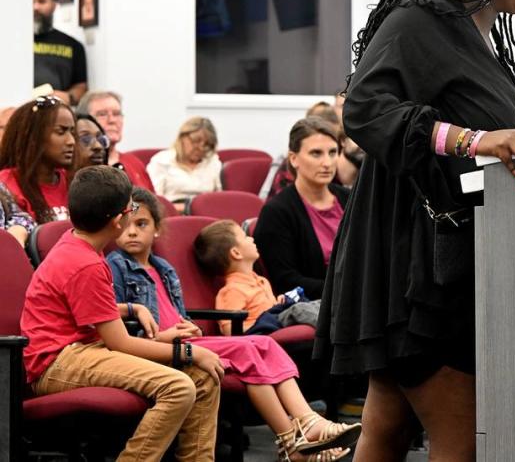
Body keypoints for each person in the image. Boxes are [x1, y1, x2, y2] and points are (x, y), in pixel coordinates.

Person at [315, 0, 515, 461]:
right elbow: (365, 110)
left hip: (441, 256)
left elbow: (480, 134)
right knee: (460, 441)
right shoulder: (419, 17)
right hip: (416, 262)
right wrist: (475, 140)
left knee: (388, 432)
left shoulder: (476, 30)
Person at [108, 189, 359, 462]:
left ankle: (306, 421)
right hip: (157, 348)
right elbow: (121, 325)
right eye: (125, 224)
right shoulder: (116, 265)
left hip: (184, 341)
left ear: (157, 229)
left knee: (265, 342)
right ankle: (292, 439)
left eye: (141, 224)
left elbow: (178, 315)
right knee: (251, 351)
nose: (131, 232)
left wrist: (187, 326)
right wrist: (169, 335)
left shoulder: (164, 268)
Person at [20, 165, 223, 460]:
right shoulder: (85, 263)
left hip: (82, 350)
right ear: (118, 221)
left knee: (202, 378)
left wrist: (130, 307)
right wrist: (191, 352)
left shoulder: (79, 244)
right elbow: (121, 343)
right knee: (178, 386)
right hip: (57, 362)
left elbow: (79, 306)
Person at [255, 117, 350, 299]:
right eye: (316, 153)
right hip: (317, 305)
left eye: (332, 152)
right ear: (294, 158)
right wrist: (346, 289)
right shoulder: (277, 211)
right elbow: (285, 280)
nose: (327, 162)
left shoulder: (349, 199)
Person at [195, 219, 322, 336]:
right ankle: (330, 331)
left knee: (320, 303)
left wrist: (278, 305)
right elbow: (229, 329)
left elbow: (267, 310)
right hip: (259, 332)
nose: (251, 238)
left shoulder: (261, 281)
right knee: (298, 310)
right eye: (245, 237)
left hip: (273, 322)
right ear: (236, 253)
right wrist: (258, 325)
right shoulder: (232, 290)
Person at [0, 96, 76, 222]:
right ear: (33, 136)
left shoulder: (74, 183)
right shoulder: (7, 185)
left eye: (72, 132)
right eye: (60, 132)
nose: (71, 141)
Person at [78, 90, 155, 190]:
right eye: (102, 114)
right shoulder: (78, 167)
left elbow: (154, 202)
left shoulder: (134, 162)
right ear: (84, 120)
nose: (112, 120)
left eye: (117, 114)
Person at [147, 116, 222, 212]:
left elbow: (220, 198)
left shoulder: (213, 162)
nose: (200, 148)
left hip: (206, 212)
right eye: (195, 141)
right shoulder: (161, 161)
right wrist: (187, 208)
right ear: (182, 137)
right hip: (171, 213)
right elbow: (153, 201)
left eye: (207, 145)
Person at [32, 0, 87, 105]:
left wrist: (69, 97)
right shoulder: (13, 45)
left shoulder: (72, 45)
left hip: (56, 109)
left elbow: (81, 86)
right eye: (31, 2)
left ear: (54, 5)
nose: (35, 7)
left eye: (42, 1)